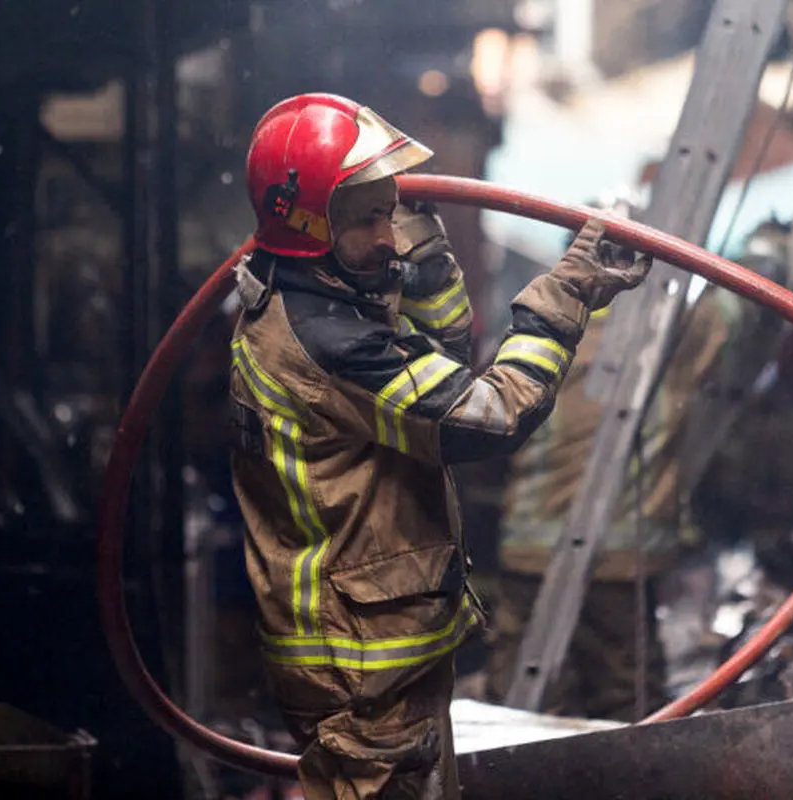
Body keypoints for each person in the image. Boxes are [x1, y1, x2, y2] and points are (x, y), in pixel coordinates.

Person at [231, 93, 650, 799]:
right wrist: (566, 293)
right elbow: (482, 415)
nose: (386, 235)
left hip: (378, 658)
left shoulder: (316, 299)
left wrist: (424, 255)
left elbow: (446, 354)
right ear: (310, 224)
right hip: (360, 670)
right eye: (366, 218)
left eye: (386, 210)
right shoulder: (330, 342)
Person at [484, 204, 782, 721]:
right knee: (626, 712)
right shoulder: (669, 332)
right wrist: (769, 249)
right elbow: (742, 305)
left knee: (519, 715)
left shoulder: (539, 326)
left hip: (528, 553)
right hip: (619, 561)